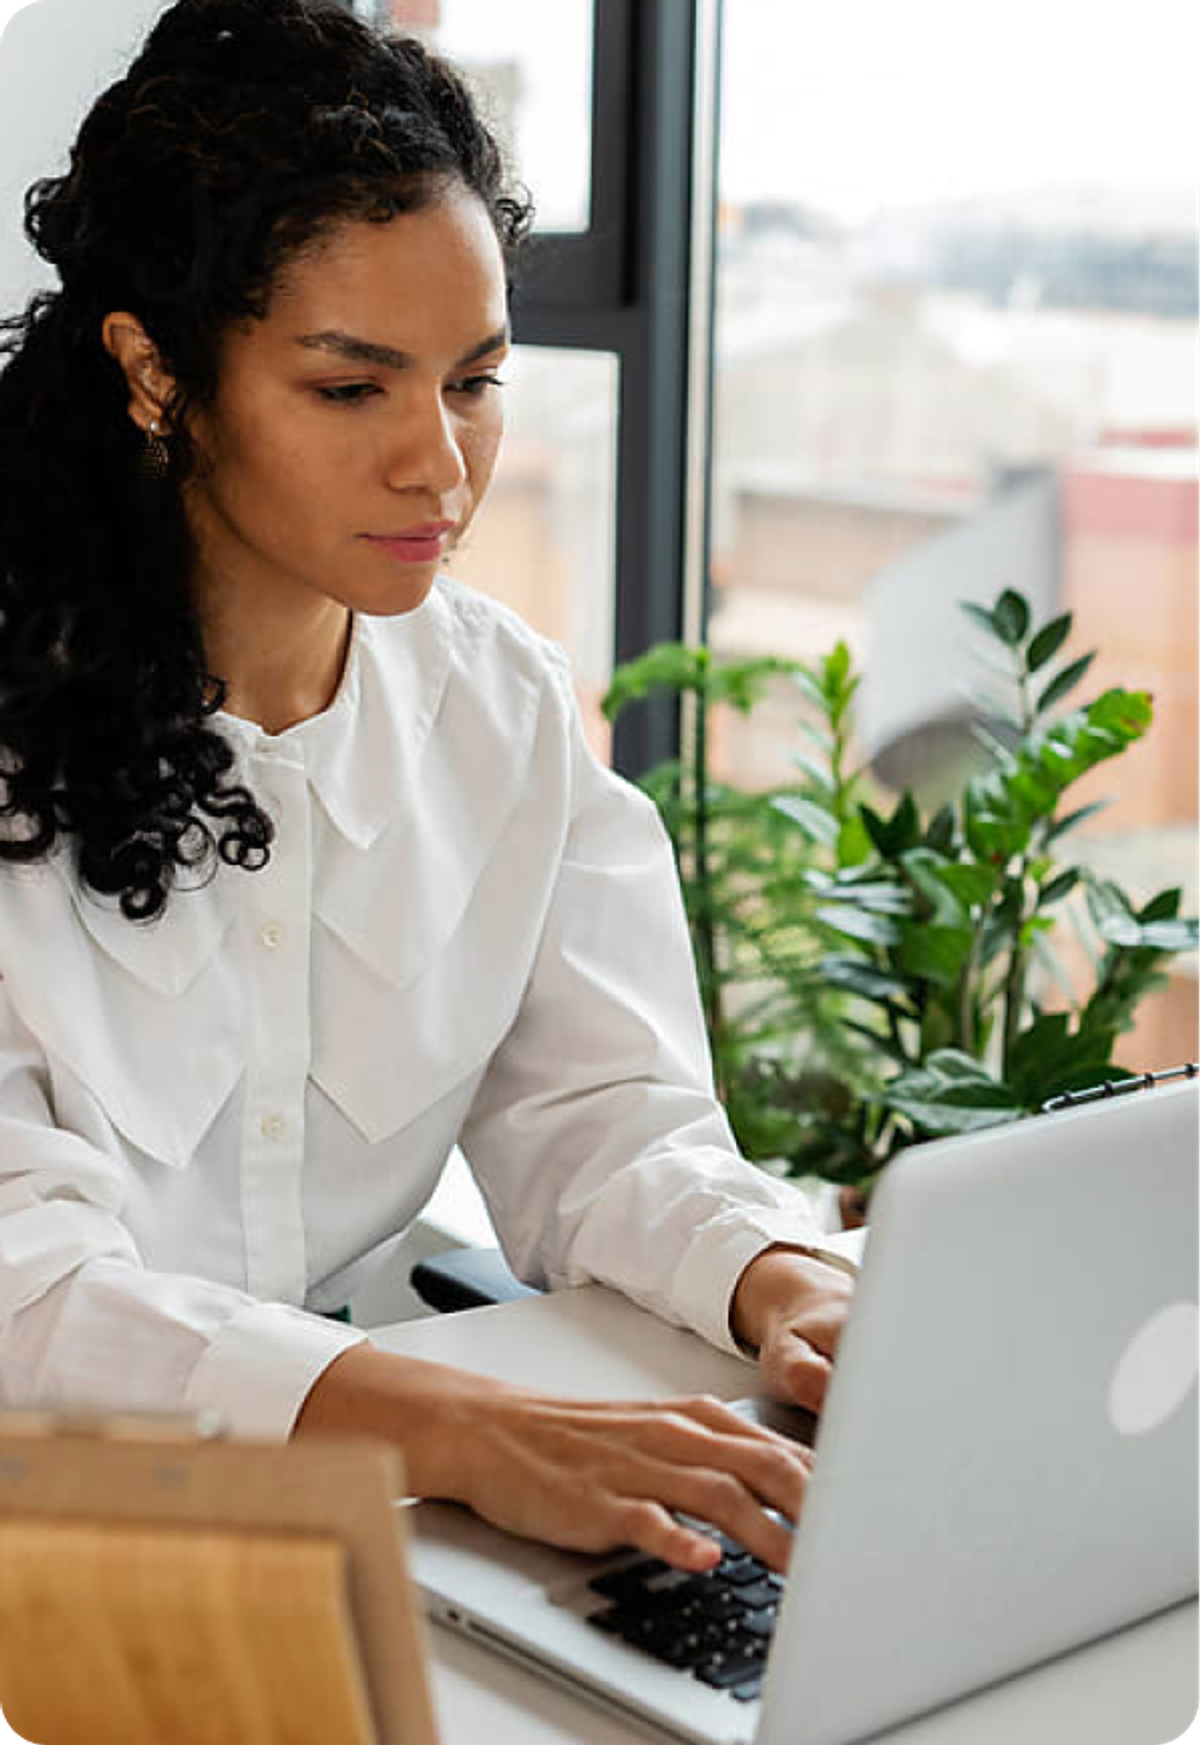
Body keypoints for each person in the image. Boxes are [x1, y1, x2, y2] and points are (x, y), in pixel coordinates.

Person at [0, 0, 862, 1578]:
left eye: (473, 381)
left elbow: (604, 1114)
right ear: (153, 373)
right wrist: (458, 1429)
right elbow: (22, 1290)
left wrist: (778, 1276)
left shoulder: (500, 710)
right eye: (352, 389)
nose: (443, 469)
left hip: (326, 1528)